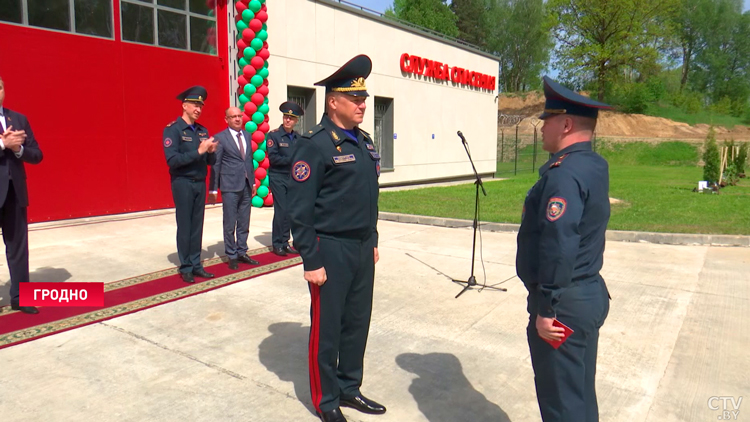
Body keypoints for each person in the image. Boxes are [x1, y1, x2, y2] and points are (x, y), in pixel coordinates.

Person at [287, 55, 384, 422]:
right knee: (327, 328)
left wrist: (372, 238)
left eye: (364, 99)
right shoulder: (315, 145)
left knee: (357, 323)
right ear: (333, 102)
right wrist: (311, 260)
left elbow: (369, 196)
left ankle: (349, 387)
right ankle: (326, 400)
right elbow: (300, 210)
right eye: (354, 98)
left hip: (361, 248)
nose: (362, 105)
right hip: (330, 248)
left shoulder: (362, 142)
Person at [516, 76, 613, 422]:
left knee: (561, 404)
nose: (541, 128)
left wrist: (546, 308)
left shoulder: (563, 175)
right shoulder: (593, 164)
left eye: (548, 120)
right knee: (580, 394)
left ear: (567, 124)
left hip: (563, 305)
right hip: (588, 293)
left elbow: (559, 244)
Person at [163, 86, 217, 284]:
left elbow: (210, 162)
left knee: (197, 226)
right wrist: (199, 151)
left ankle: (196, 264)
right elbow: (173, 160)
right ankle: (185, 266)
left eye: (201, 105)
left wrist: (211, 152)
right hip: (183, 182)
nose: (198, 108)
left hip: (199, 183)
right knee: (185, 225)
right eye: (195, 104)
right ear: (184, 105)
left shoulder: (202, 131)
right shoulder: (173, 130)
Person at [0, 76, 44, 314]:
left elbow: (37, 155)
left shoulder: (18, 119)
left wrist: (18, 149)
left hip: (15, 192)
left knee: (18, 246)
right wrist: (2, 145)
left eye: (0, 86)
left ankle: (21, 297)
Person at [208, 107, 260, 270]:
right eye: (233, 117)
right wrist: (213, 190)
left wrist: (252, 182)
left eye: (239, 116)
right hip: (230, 186)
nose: (237, 119)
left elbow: (249, 161)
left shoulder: (246, 135)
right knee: (230, 222)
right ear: (227, 119)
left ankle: (242, 251)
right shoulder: (221, 138)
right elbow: (216, 164)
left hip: (245, 185)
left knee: (244, 221)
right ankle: (231, 254)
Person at [266, 101, 304, 256]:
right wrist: (293, 161)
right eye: (286, 117)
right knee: (281, 210)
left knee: (290, 211)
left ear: (296, 121)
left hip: (293, 178)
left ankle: (285, 241)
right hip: (278, 177)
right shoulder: (274, 135)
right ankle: (277, 243)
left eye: (291, 118)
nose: (288, 120)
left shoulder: (298, 138)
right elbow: (274, 158)